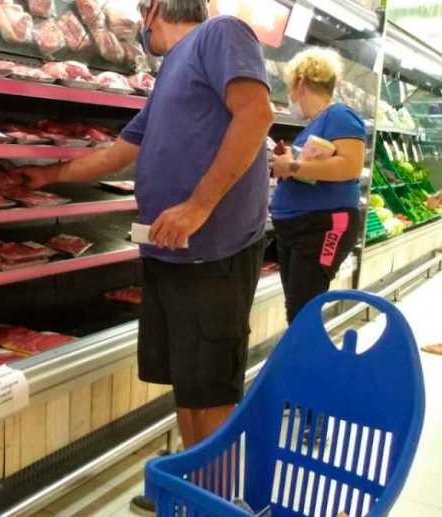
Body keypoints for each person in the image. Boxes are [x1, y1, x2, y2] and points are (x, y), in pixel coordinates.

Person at [19, 0, 273, 510]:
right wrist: (46, 176)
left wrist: (198, 205)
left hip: (212, 253)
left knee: (212, 391)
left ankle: (216, 505)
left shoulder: (221, 33)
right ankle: (191, 491)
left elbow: (257, 114)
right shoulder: (171, 72)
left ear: (154, 8)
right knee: (189, 385)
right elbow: (118, 155)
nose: (140, 28)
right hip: (169, 253)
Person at [271, 48, 366, 323]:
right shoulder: (316, 125)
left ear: (300, 83)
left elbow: (350, 166)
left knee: (303, 312)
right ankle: (302, 351)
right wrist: (288, 163)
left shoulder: (341, 115)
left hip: (323, 227)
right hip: (299, 228)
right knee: (298, 310)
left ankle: (308, 352)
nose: (290, 96)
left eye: (290, 87)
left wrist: (292, 166)